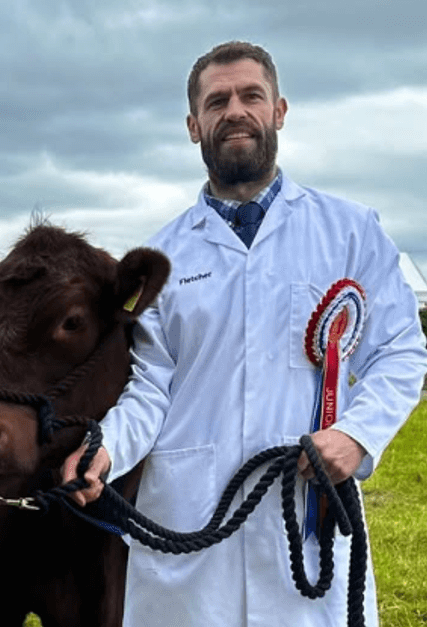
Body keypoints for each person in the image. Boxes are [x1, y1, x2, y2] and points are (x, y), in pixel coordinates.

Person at [62, 41, 427, 625]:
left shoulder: (351, 232)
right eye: (217, 101)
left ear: (279, 110)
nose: (235, 110)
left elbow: (401, 351)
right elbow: (151, 387)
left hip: (304, 513)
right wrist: (105, 447)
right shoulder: (164, 256)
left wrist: (356, 434)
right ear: (192, 125)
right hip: (189, 519)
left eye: (251, 95)